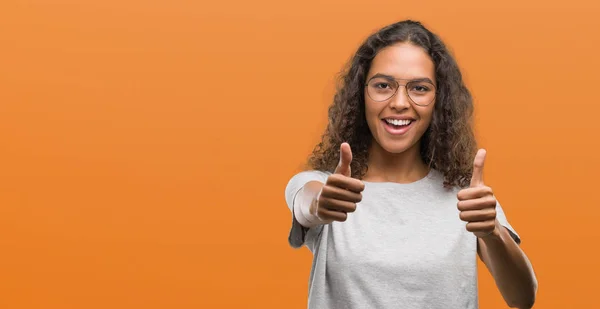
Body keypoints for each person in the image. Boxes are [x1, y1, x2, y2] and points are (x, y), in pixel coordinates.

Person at [284, 20, 538, 309]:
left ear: (438, 101)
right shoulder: (324, 186)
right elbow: (307, 203)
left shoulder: (467, 198)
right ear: (360, 94)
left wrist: (493, 232)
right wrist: (319, 205)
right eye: (383, 85)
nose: (400, 103)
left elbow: (522, 298)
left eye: (419, 88)